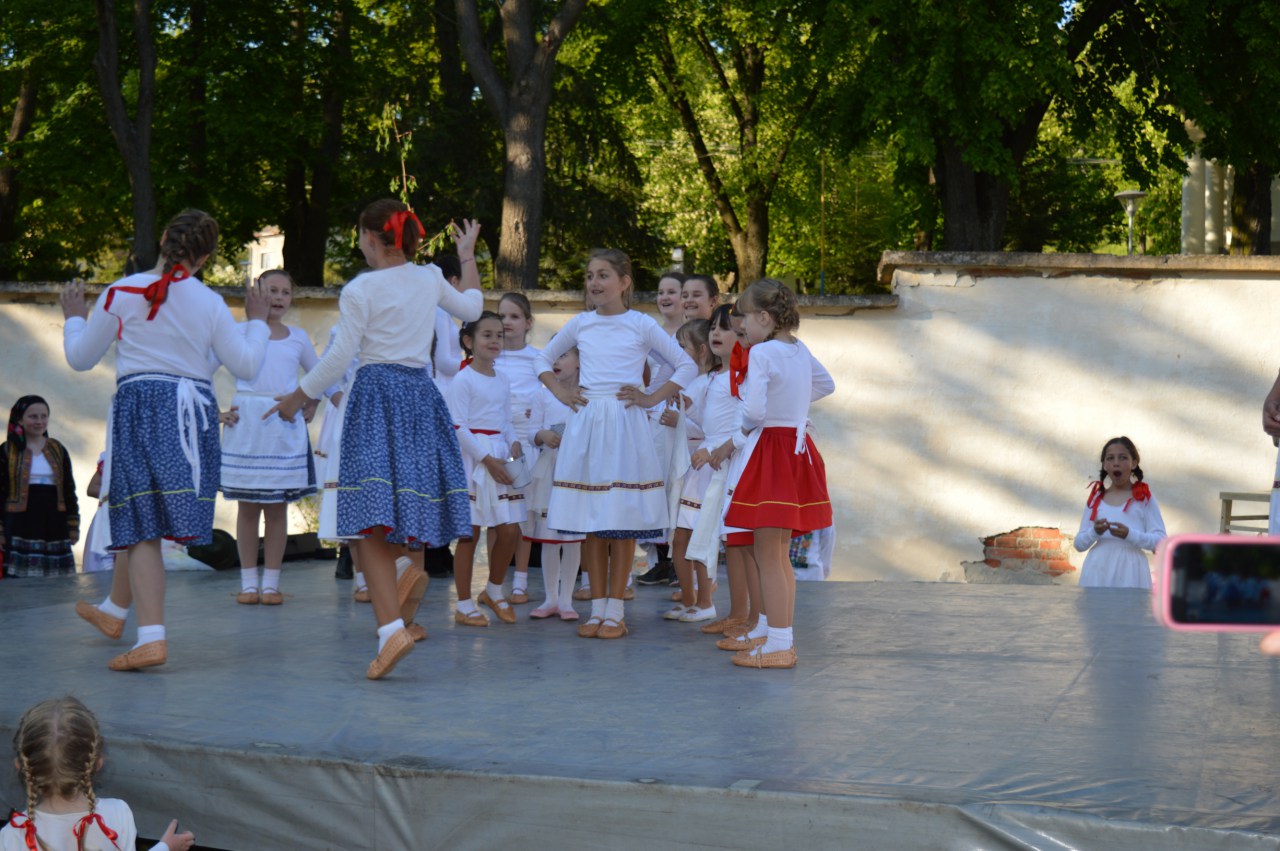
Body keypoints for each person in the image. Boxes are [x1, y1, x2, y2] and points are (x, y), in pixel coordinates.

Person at [269, 200, 483, 679]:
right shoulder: (430, 278)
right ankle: (403, 576)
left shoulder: (361, 288)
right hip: (419, 396)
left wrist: (298, 396)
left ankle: (391, 630)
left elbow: (339, 356)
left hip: (375, 399)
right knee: (400, 505)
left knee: (366, 520)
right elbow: (472, 307)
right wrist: (467, 255)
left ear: (370, 237)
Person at [62, 208, 270, 671]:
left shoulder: (121, 291)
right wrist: (256, 321)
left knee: (140, 524)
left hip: (142, 410)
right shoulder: (209, 302)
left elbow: (80, 358)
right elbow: (247, 365)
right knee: (146, 522)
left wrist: (75, 318)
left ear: (163, 240)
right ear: (206, 257)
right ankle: (116, 611)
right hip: (190, 417)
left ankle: (151, 637)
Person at [535, 249, 697, 639]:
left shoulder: (641, 324)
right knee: (592, 521)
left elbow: (686, 364)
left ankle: (616, 612)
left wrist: (650, 398)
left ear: (624, 282)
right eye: (590, 275)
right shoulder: (581, 324)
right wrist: (560, 392)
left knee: (620, 520)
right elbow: (541, 359)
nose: (594, 282)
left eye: (603, 275)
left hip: (625, 425)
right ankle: (596, 610)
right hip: (589, 424)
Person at [722, 279, 834, 669]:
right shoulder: (799, 349)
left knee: (768, 554)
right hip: (796, 450)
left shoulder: (763, 352)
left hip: (770, 450)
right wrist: (792, 402)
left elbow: (754, 413)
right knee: (778, 554)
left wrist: (744, 430)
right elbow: (826, 384)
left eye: (746, 319)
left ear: (765, 317)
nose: (741, 327)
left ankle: (780, 644)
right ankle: (775, 637)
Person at [218, 269, 323, 606]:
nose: (278, 298)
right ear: (256, 294)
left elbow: (321, 375)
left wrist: (311, 401)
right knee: (248, 508)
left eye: (285, 292)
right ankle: (249, 584)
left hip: (282, 427)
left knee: (277, 509)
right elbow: (201, 370)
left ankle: (272, 584)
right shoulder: (236, 333)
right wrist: (215, 412)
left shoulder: (298, 338)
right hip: (246, 427)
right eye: (271, 291)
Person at [2, 696, 194, 851]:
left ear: (20, 765)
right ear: (98, 763)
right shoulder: (117, 814)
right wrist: (164, 847)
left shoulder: (12, 835)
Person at [448, 311, 526, 627]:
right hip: (474, 459)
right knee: (470, 533)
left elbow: (506, 420)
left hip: (500, 457)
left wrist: (514, 441)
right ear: (469, 341)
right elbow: (458, 426)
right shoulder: (463, 379)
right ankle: (463, 604)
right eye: (487, 335)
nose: (495, 341)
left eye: (499, 335)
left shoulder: (503, 379)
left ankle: (493, 590)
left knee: (509, 529)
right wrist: (486, 459)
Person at [663, 319, 719, 623]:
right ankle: (688, 598)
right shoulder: (684, 383)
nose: (677, 352)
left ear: (701, 350)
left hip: (702, 469)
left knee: (699, 535)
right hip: (684, 470)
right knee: (679, 538)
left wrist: (681, 421)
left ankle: (706, 600)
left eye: (682, 346)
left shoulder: (713, 383)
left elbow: (713, 430)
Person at [526, 348, 585, 621]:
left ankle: (566, 600)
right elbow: (531, 431)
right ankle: (550, 598)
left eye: (563, 356)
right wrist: (542, 435)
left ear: (580, 361)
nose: (556, 361)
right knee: (550, 538)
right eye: (554, 357)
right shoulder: (543, 394)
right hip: (550, 470)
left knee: (572, 539)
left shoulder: (588, 395)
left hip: (576, 474)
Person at [494, 292, 541, 603]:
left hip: (527, 446)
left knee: (525, 515)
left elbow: (548, 396)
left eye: (514, 316)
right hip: (496, 445)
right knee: (497, 515)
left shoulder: (539, 359)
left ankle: (520, 581)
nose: (507, 322)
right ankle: (493, 582)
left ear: (528, 322)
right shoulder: (489, 358)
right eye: (501, 316)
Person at [0, 396, 79, 577]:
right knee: (20, 582)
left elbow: (69, 489)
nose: (39, 421)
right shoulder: (7, 450)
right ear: (19, 419)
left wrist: (73, 525)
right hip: (19, 524)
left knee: (57, 581)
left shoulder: (58, 449)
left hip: (55, 524)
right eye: (33, 416)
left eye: (44, 416)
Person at [1074, 436, 1166, 589]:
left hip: (1131, 572)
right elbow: (1079, 544)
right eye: (1110, 458)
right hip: (1098, 570)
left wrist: (1130, 534)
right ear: (1104, 465)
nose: (1116, 463)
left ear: (1134, 463)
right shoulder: (1096, 498)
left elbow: (1161, 542)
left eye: (1123, 457)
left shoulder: (1144, 498)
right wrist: (1094, 532)